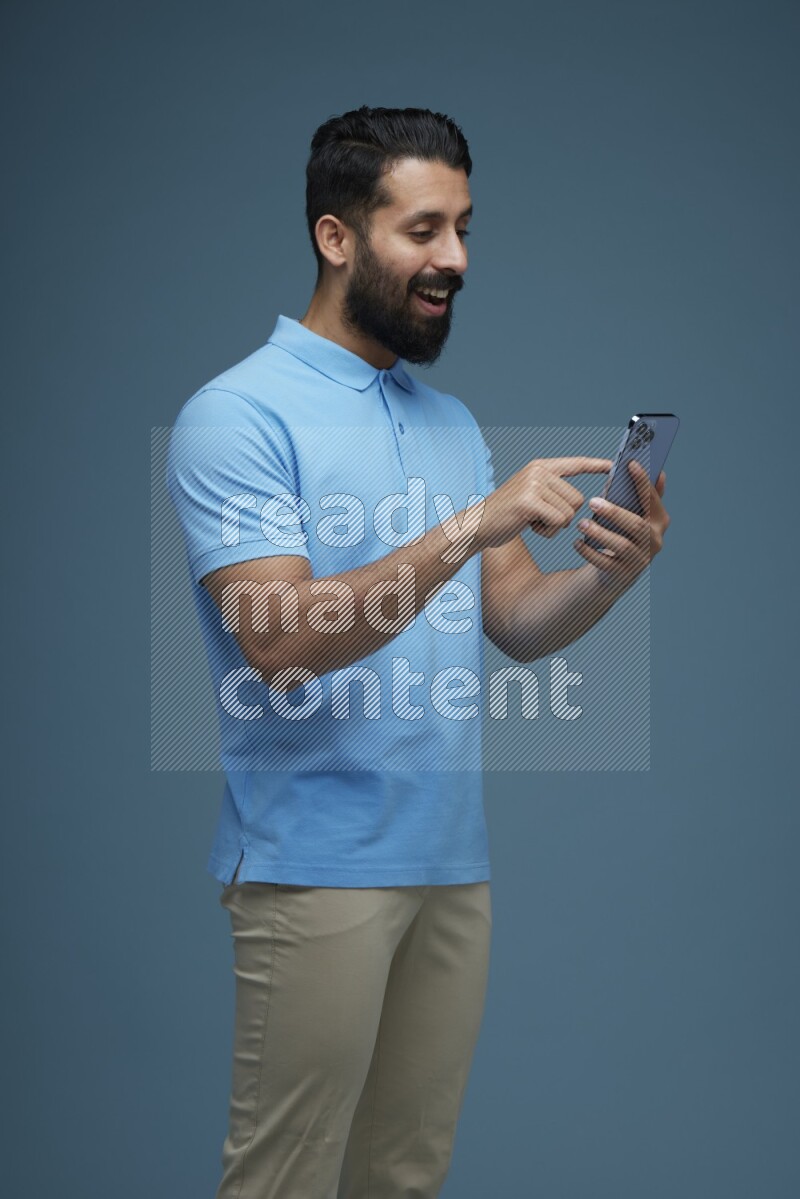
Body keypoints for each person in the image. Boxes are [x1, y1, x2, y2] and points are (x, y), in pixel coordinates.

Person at [166, 105, 670, 1199]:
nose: (455, 259)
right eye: (424, 229)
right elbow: (280, 641)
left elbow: (518, 625)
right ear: (336, 237)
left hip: (449, 864)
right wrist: (468, 525)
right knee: (285, 1178)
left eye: (465, 229)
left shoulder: (446, 419)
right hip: (311, 866)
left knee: (402, 1176)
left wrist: (612, 568)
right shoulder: (236, 415)